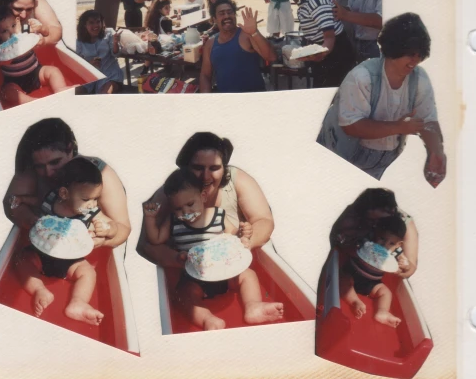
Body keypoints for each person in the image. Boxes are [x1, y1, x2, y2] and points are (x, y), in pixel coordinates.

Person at [143, 168, 283, 330]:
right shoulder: (174, 222)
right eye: (178, 208)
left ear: (202, 196)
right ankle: (207, 319)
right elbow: (156, 239)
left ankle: (253, 306)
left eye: (190, 204)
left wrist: (244, 234)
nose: (185, 212)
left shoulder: (217, 215)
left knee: (248, 275)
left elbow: (232, 233)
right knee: (184, 295)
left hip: (226, 272)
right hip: (196, 277)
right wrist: (150, 218)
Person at [317, 13, 447, 186]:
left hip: (378, 165)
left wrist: (436, 151)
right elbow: (352, 126)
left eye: (420, 54)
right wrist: (399, 127)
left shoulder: (419, 79)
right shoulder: (362, 77)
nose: (415, 60)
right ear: (393, 49)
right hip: (337, 161)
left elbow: (429, 120)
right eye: (409, 53)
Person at [137, 132, 275, 268]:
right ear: (185, 168)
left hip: (235, 261)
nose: (206, 176)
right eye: (198, 168)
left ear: (224, 169)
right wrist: (180, 260)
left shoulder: (237, 180)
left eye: (214, 168)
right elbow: (145, 244)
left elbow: (263, 220)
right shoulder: (173, 193)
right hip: (191, 268)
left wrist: (245, 243)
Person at [14, 157, 117, 324]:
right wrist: (23, 200)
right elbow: (36, 200)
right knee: (21, 260)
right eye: (86, 199)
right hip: (42, 253)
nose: (92, 204)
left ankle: (78, 302)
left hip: (71, 262)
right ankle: (39, 289)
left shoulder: (90, 212)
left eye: (96, 198)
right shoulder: (50, 200)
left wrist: (107, 229)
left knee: (88, 272)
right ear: (64, 193)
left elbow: (112, 225)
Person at [2, 118, 131, 247]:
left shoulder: (97, 174)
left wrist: (100, 240)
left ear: (70, 149)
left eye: (55, 162)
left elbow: (123, 229)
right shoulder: (33, 170)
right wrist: (31, 221)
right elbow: (11, 203)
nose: (48, 173)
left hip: (90, 246)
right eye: (40, 166)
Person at [281, 0, 355, 88]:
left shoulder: (317, 1)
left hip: (334, 56)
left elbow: (329, 38)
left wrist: (320, 55)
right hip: (324, 51)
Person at [330, 187, 418, 279]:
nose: (375, 225)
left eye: (380, 221)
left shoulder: (401, 220)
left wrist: (405, 266)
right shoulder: (350, 220)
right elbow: (339, 249)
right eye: (370, 220)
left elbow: (410, 265)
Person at [0, 5, 67, 105]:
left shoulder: (25, 30)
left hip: (36, 72)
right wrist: (1, 60)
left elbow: (45, 32)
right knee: (7, 91)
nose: (11, 33)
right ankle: (32, 102)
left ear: (17, 21)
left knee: (53, 71)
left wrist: (40, 28)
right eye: (4, 31)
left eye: (13, 26)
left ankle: (61, 89)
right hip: (14, 81)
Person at [340, 214, 406, 327]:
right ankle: (354, 301)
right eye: (382, 239)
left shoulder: (395, 253)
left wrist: (403, 265)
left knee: (385, 292)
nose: (385, 245)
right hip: (353, 274)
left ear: (398, 245)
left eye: (391, 243)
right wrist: (356, 251)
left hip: (372, 283)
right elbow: (348, 248)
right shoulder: (366, 243)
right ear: (376, 233)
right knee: (343, 280)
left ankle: (382, 311)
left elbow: (405, 266)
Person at [199, 0, 276, 93]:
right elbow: (205, 75)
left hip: (253, 98)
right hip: (226, 101)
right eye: (222, 13)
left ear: (234, 15)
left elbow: (271, 57)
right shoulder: (210, 44)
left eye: (229, 12)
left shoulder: (247, 35)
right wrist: (206, 98)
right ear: (214, 19)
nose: (227, 16)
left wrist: (255, 32)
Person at [75, 10, 124, 94]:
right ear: (84, 25)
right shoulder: (79, 41)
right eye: (91, 23)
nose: (96, 25)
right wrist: (89, 64)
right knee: (76, 92)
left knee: (104, 94)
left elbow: (116, 53)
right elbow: (76, 62)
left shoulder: (109, 33)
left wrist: (116, 42)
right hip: (89, 74)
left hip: (110, 74)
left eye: (98, 22)